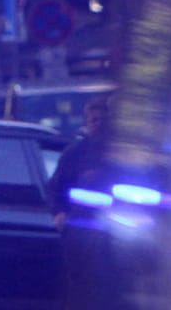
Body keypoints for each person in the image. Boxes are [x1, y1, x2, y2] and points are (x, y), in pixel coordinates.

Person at [47, 95, 113, 308]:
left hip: (110, 229)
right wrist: (59, 213)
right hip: (79, 229)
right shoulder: (74, 154)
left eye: (102, 120)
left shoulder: (117, 155)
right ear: (87, 122)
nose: (98, 125)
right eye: (94, 120)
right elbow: (57, 188)